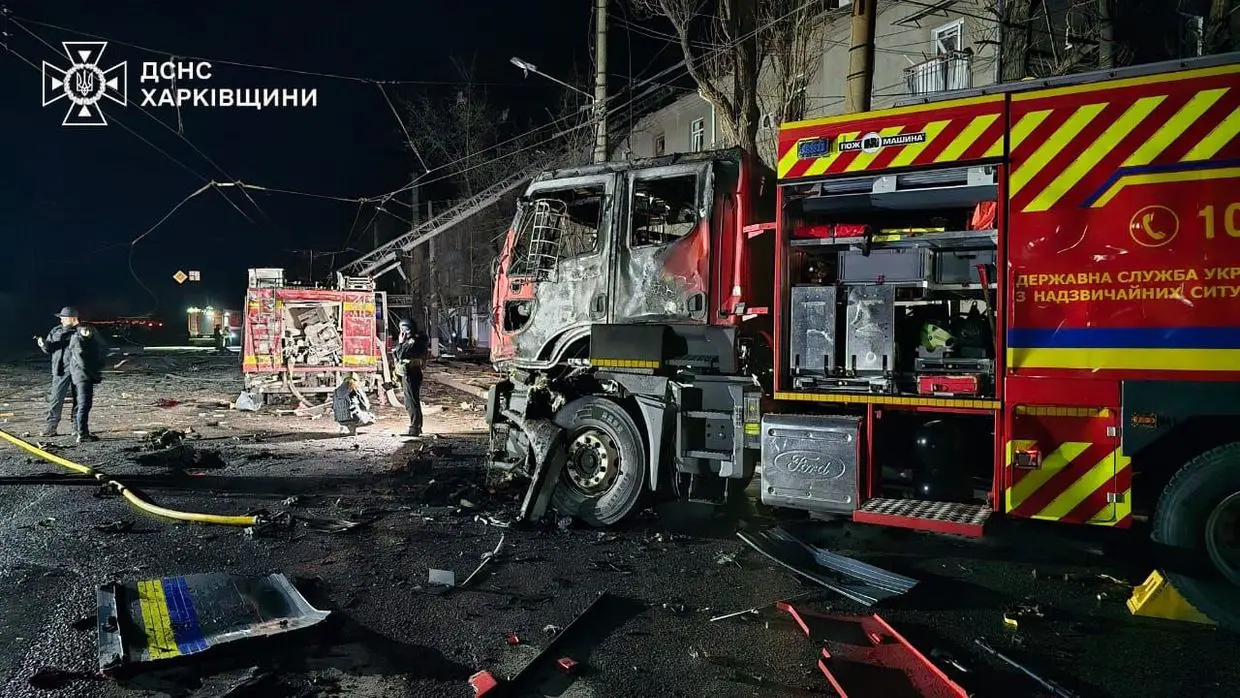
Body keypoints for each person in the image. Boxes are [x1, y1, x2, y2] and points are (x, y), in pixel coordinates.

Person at [36, 306, 106, 442]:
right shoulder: (56, 331)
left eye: (64, 318)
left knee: (79, 399)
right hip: (60, 370)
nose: (61, 320)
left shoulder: (84, 330)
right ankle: (51, 426)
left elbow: (96, 347)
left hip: (79, 371)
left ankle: (77, 427)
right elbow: (50, 349)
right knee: (56, 398)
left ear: (72, 318)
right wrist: (43, 345)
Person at [392, 318, 428, 437]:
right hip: (415, 372)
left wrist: (400, 342)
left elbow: (400, 354)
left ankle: (414, 428)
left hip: (410, 373)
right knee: (414, 400)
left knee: (410, 402)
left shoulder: (412, 342)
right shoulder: (419, 339)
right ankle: (417, 426)